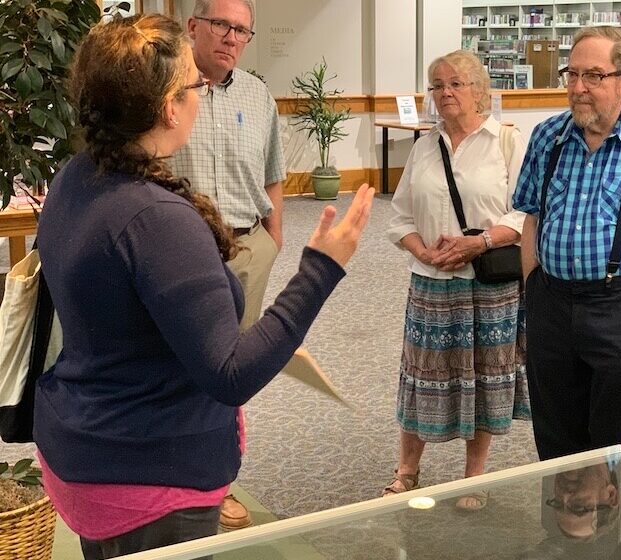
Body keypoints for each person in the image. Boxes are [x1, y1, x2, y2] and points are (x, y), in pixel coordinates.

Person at [32, 14, 374, 559]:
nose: (203, 91)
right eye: (196, 84)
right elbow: (229, 374)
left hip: (86, 446)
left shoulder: (78, 176)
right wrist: (322, 267)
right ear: (170, 107)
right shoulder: (156, 219)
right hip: (145, 473)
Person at [512, 26, 621, 461]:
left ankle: (608, 527)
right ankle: (560, 525)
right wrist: (532, 291)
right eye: (571, 75)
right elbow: (531, 218)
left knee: (615, 439)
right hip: (551, 300)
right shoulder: (548, 137)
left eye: (594, 76)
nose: (578, 88)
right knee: (554, 434)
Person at [384, 49, 529, 511]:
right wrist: (423, 250)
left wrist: (480, 242)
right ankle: (407, 470)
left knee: (485, 376)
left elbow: (524, 212)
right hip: (431, 283)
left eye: (456, 83)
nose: (445, 92)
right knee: (420, 374)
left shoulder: (506, 141)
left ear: (478, 90)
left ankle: (474, 475)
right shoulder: (425, 145)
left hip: (490, 284)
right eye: (437, 85)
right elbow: (399, 215)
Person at [168, 0, 285, 528]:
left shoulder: (259, 96)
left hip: (246, 251)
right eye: (223, 26)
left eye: (242, 31)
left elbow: (273, 176)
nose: (232, 38)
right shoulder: (165, 91)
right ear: (194, 27)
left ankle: (218, 484)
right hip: (177, 256)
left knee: (230, 375)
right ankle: (170, 483)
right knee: (173, 367)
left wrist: (273, 240)